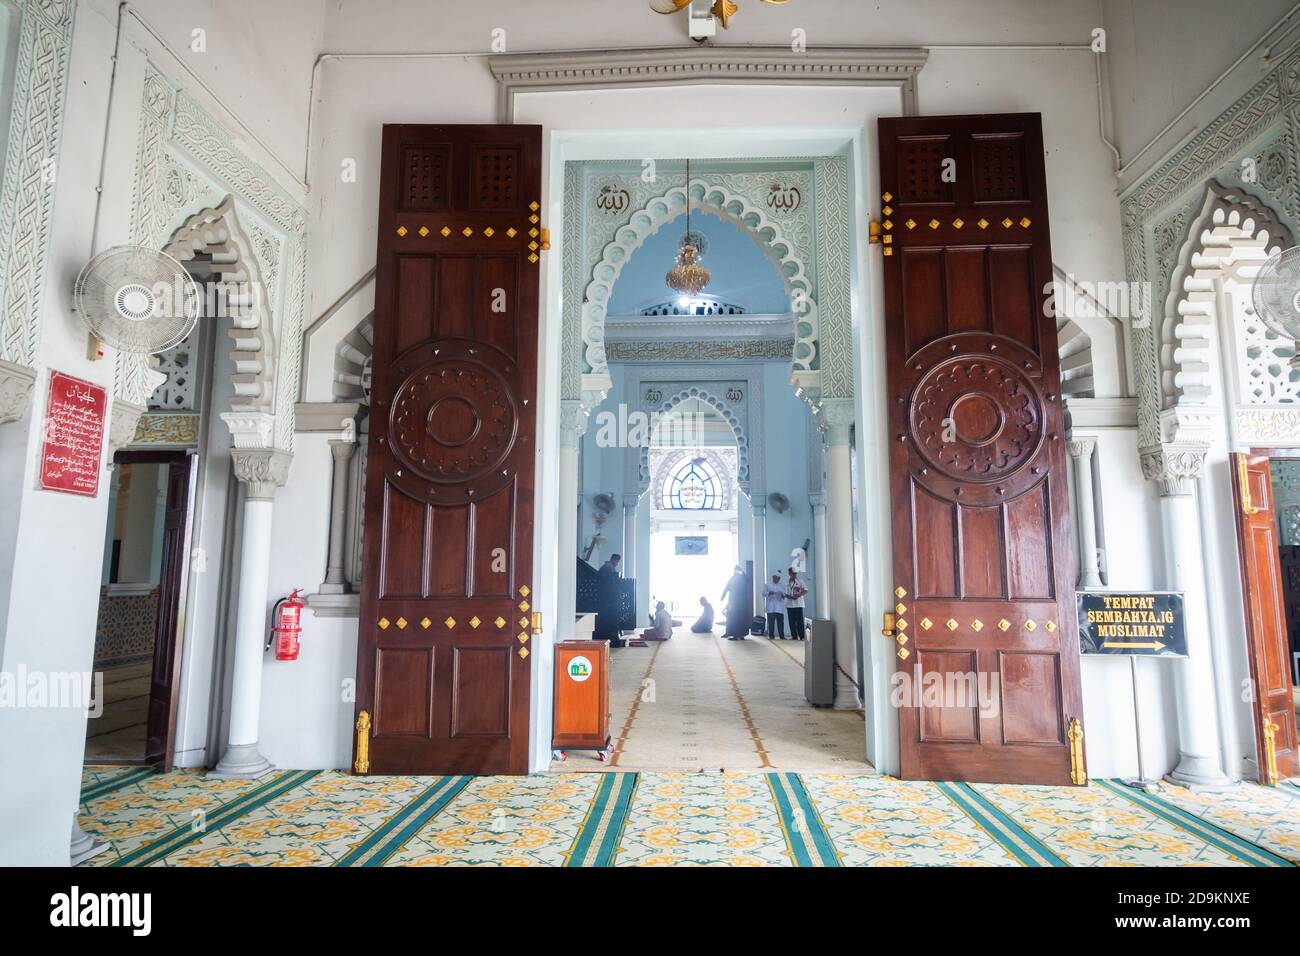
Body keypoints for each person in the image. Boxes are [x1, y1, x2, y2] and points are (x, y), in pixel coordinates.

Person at [594, 553, 622, 644]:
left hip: (606, 598)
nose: (617, 563)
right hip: (607, 598)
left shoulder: (607, 567)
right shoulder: (608, 568)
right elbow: (610, 583)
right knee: (609, 618)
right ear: (614, 560)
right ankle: (611, 637)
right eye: (617, 561)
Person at [721, 565, 751, 640]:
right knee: (731, 618)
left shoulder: (743, 578)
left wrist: (741, 572)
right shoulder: (733, 578)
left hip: (741, 603)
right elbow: (726, 588)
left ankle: (738, 635)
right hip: (733, 602)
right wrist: (723, 596)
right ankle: (730, 633)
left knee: (739, 619)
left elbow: (748, 579)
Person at [785, 566, 808, 641]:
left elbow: (806, 590)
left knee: (800, 622)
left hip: (798, 605)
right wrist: (791, 597)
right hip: (790, 605)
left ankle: (802, 636)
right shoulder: (786, 582)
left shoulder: (800, 581)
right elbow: (785, 594)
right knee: (791, 622)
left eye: (795, 573)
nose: (794, 575)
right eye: (793, 573)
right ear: (789, 573)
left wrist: (799, 595)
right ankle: (794, 636)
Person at [762, 573, 787, 639]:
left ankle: (782, 636)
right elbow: (763, 593)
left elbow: (784, 595)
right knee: (771, 623)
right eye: (776, 578)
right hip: (771, 607)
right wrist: (769, 593)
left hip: (779, 608)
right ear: (773, 577)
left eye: (778, 578)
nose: (777, 579)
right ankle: (771, 636)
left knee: (780, 623)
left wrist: (782, 595)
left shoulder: (782, 585)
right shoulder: (767, 584)